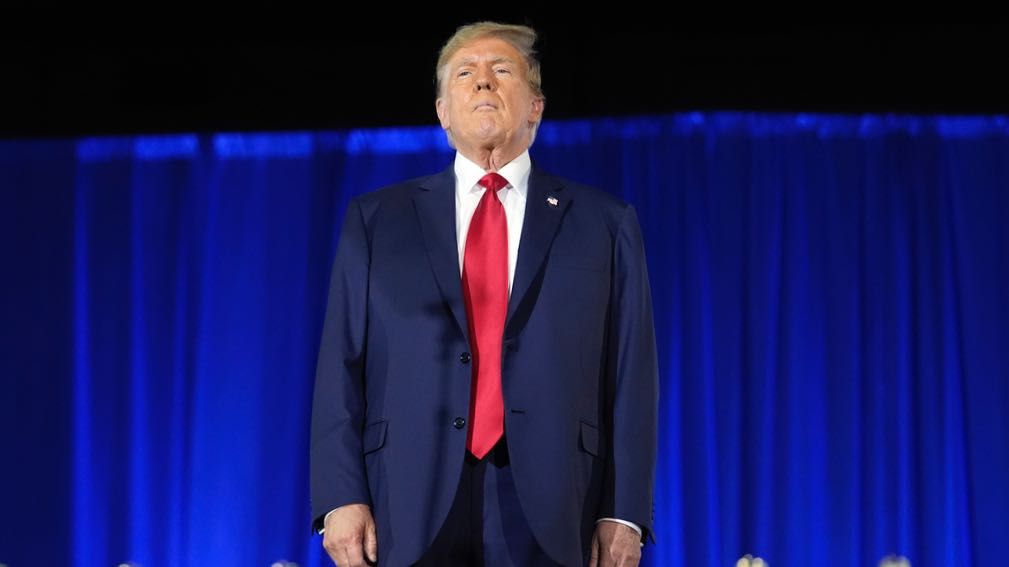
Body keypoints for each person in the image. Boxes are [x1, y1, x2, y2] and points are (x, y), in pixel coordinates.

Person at [310, 21, 658, 567]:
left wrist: (625, 511)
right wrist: (339, 496)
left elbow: (631, 372)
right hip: (405, 496)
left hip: (557, 498)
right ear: (443, 113)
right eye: (465, 74)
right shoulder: (377, 220)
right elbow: (340, 365)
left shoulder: (604, 223)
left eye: (501, 71)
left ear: (536, 106)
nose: (483, 83)